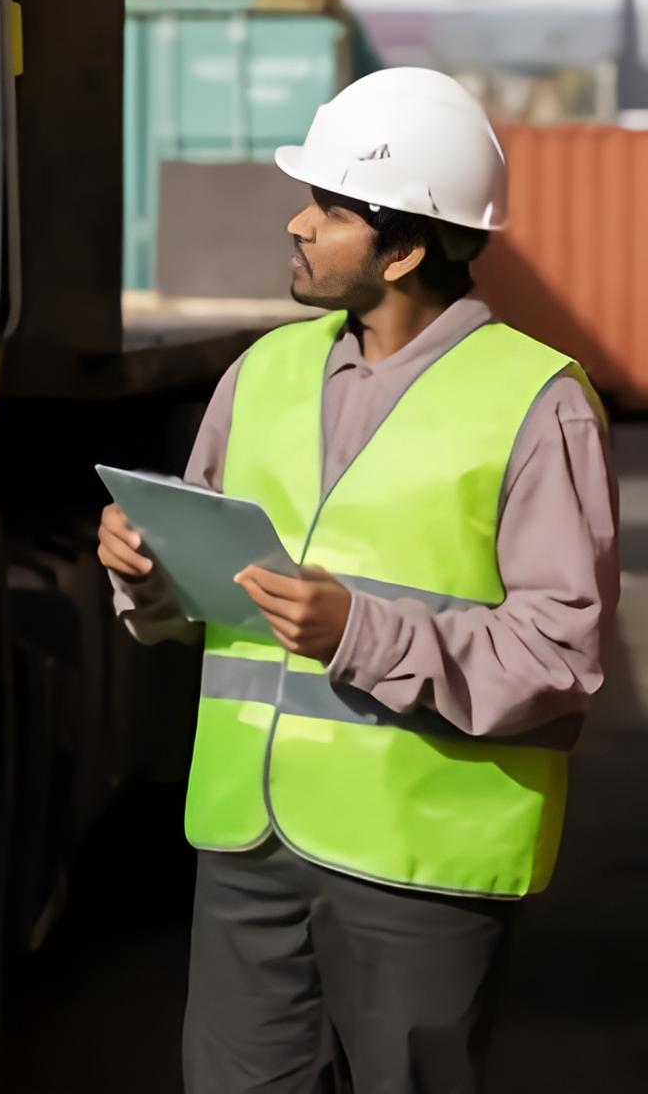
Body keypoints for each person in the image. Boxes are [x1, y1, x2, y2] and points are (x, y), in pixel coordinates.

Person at [97, 67, 619, 1094]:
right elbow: (198, 609)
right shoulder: (262, 374)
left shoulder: (536, 403)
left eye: (328, 210)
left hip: (419, 867)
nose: (294, 225)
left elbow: (565, 653)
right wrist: (148, 576)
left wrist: (359, 633)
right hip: (248, 844)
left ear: (408, 246)